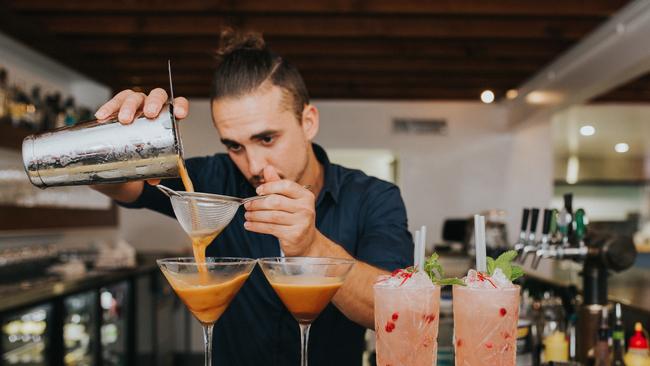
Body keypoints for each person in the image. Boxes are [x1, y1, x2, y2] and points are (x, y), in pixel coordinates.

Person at [92, 30, 412, 366]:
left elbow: (396, 313)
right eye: (234, 146)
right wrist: (113, 141)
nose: (255, 166)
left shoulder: (374, 196)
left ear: (308, 121)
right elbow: (124, 188)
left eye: (267, 138)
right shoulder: (212, 180)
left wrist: (311, 246)